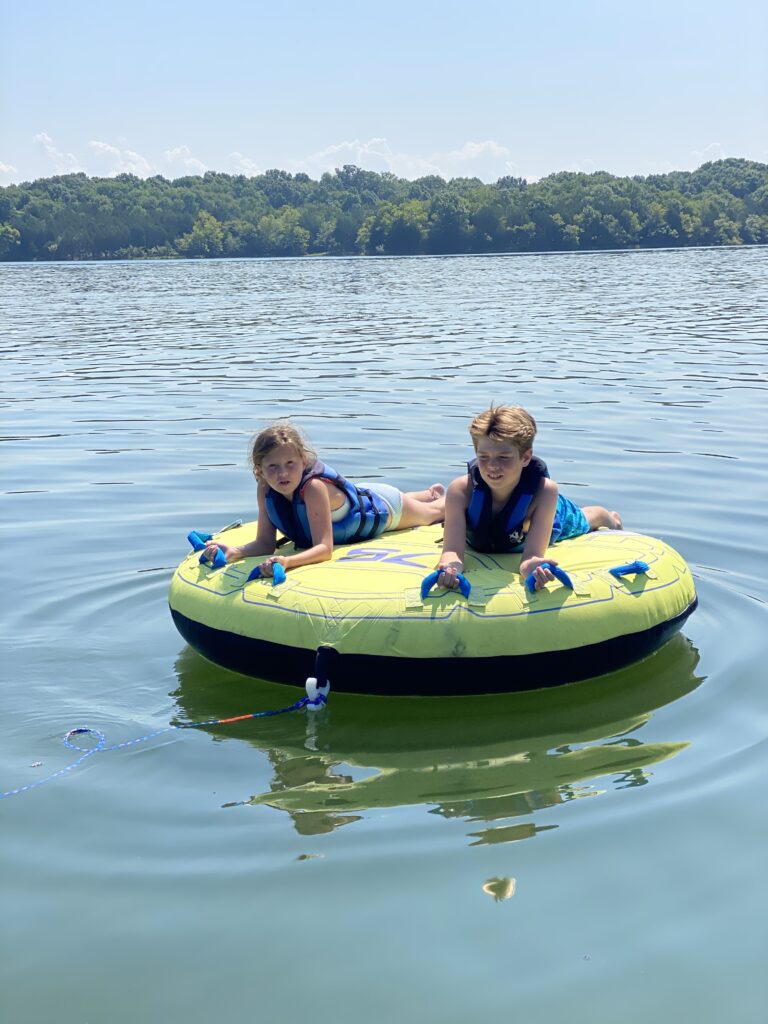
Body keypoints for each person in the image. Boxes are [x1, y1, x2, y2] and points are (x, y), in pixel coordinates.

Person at [204, 421, 446, 576]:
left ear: (303, 461)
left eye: (290, 464)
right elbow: (265, 544)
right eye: (273, 467)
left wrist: (288, 561)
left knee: (433, 513)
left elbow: (324, 549)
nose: (282, 473)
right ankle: (427, 493)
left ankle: (444, 496)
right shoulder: (265, 488)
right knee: (404, 500)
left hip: (383, 508)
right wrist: (235, 551)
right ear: (259, 469)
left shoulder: (314, 488)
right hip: (352, 497)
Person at [437, 405, 622, 591]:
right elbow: (452, 551)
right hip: (493, 532)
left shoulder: (545, 492)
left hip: (551, 513)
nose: (492, 466)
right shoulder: (460, 491)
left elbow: (531, 556)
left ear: (525, 457)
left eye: (503, 457)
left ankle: (609, 517)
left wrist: (532, 566)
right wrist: (451, 568)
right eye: (483, 457)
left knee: (584, 520)